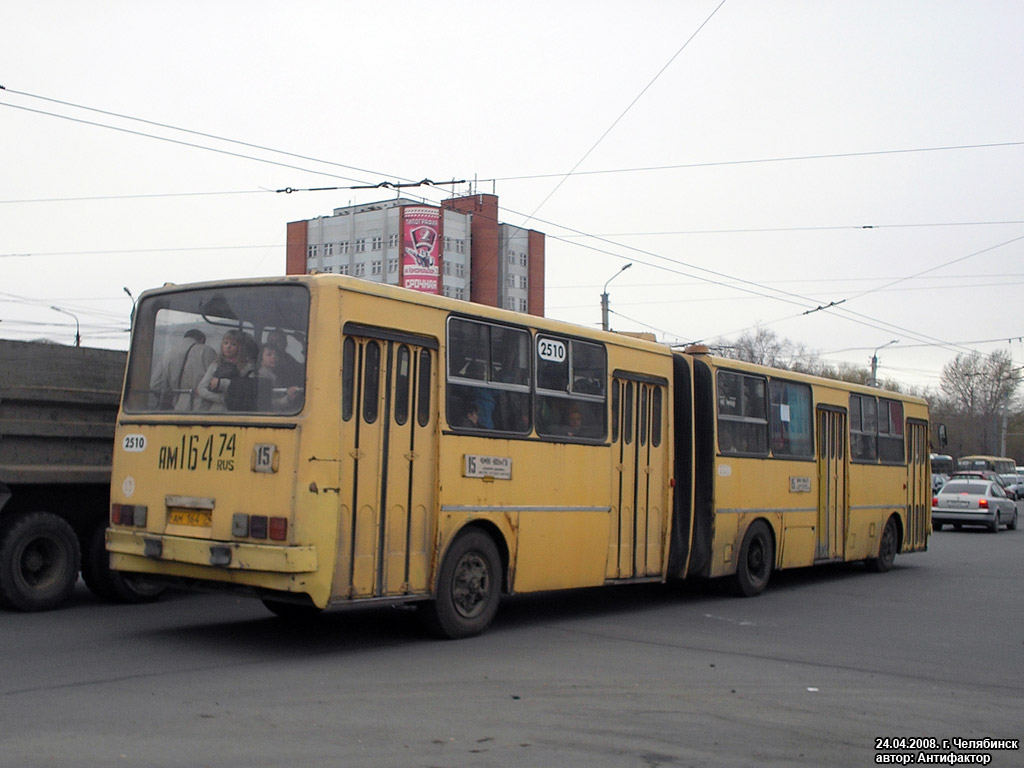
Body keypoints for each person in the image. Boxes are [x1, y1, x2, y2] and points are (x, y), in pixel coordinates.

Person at [150, 329, 217, 411]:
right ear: (202, 340)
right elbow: (217, 380)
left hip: (179, 407)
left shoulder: (168, 354)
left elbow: (155, 385)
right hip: (204, 406)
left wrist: (173, 395)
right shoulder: (206, 350)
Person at [195, 330, 256, 412]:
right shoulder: (216, 364)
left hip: (239, 410)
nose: (228, 347)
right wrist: (222, 398)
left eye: (233, 344)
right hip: (217, 410)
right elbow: (201, 389)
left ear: (240, 347)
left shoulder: (247, 366)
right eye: (226, 343)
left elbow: (248, 389)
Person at [257, 343, 302, 411]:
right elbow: (267, 404)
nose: (274, 357)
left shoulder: (278, 375)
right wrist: (288, 398)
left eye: (276, 354)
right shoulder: (260, 378)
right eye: (269, 354)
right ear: (260, 359)